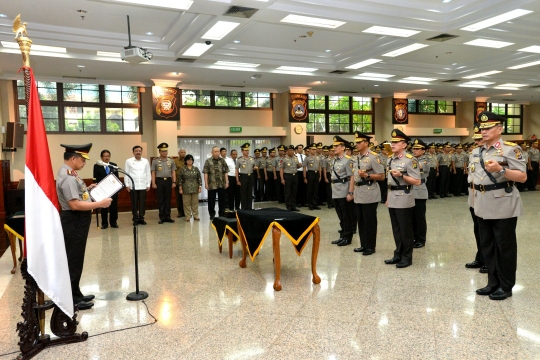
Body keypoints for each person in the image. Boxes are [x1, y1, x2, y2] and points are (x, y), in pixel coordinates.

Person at [472, 111, 526, 300]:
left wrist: (501, 169)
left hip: (503, 204)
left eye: (488, 128)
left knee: (504, 247)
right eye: (482, 128)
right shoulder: (476, 151)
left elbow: (522, 176)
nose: (483, 131)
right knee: (487, 246)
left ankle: (506, 285)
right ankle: (492, 282)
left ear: (500, 129)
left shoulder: (511, 149)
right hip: (482, 204)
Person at [56, 143, 112, 310]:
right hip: (75, 220)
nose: (84, 163)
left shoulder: (71, 173)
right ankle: (72, 298)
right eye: (82, 159)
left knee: (76, 258)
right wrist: (100, 203)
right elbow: (74, 205)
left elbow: (76, 195)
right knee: (73, 259)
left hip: (77, 220)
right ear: (73, 159)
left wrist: (87, 189)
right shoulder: (67, 176)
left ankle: (76, 292)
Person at [384, 129, 421, 268]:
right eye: (392, 141)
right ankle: (398, 254)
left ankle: (407, 257)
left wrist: (402, 176)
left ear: (404, 145)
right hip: (392, 197)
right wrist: (388, 198)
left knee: (405, 230)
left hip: (404, 197)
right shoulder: (390, 159)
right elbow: (389, 182)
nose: (392, 144)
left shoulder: (410, 160)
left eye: (396, 142)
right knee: (396, 229)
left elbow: (417, 181)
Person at [351, 132, 384, 255]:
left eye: (359, 142)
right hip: (359, 192)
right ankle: (363, 245)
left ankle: (370, 246)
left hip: (370, 192)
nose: (357, 144)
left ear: (366, 143)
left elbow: (381, 176)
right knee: (361, 221)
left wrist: (367, 175)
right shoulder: (357, 157)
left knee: (369, 221)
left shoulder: (373, 157)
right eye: (356, 142)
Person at [465, 123, 488, 274]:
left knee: (486, 231)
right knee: (477, 229)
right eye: (476, 140)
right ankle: (480, 257)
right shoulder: (473, 152)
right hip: (473, 196)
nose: (478, 142)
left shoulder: (492, 154)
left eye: (480, 139)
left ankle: (487, 260)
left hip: (486, 197)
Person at [329, 136, 355, 246]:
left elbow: (352, 177)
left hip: (344, 191)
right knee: (340, 215)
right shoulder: (335, 160)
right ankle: (343, 235)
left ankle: (348, 237)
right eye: (334, 146)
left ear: (343, 147)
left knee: (346, 215)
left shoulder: (348, 160)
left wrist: (351, 192)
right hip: (335, 190)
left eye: (336, 146)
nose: (334, 148)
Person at [125, 145, 151, 225]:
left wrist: (148, 184)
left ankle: (141, 218)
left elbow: (148, 173)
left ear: (141, 152)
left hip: (143, 185)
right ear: (133, 152)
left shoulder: (145, 161)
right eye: (136, 151)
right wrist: (127, 184)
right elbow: (126, 173)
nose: (138, 152)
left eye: (139, 151)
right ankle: (135, 219)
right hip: (133, 186)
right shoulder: (128, 161)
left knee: (142, 203)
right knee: (134, 203)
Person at [411, 139, 430, 249]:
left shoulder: (426, 159)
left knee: (419, 217)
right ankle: (414, 237)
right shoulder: (412, 159)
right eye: (414, 148)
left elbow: (418, 166)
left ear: (423, 150)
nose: (415, 150)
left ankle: (421, 239)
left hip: (420, 190)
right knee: (412, 217)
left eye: (417, 149)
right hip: (411, 190)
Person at [93, 149, 119, 229]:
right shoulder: (97, 166)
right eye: (105, 156)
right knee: (103, 207)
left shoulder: (113, 165)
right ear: (101, 157)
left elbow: (117, 177)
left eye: (108, 156)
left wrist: (118, 188)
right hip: (103, 190)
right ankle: (104, 223)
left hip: (113, 189)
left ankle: (113, 222)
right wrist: (95, 187)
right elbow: (95, 178)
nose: (107, 158)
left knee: (114, 207)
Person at [151, 143, 176, 224]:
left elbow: (173, 172)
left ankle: (168, 216)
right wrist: (153, 183)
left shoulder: (171, 160)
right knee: (161, 199)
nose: (165, 153)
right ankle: (162, 217)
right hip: (160, 181)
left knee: (168, 199)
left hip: (168, 181)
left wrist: (174, 182)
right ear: (159, 152)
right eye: (163, 151)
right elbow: (153, 172)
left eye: (166, 151)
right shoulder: (155, 161)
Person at [203, 146, 229, 220]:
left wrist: (227, 182)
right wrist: (206, 183)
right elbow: (206, 173)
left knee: (222, 200)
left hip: (221, 183)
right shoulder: (208, 161)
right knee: (211, 200)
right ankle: (212, 214)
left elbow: (226, 172)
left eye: (218, 151)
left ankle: (221, 213)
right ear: (212, 152)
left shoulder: (222, 161)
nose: (217, 153)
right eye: (215, 151)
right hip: (212, 183)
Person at [178, 154, 202, 221]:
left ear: (193, 161)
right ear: (185, 161)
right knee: (186, 203)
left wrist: (200, 187)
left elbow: (199, 178)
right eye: (188, 160)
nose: (189, 161)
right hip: (185, 188)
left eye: (191, 159)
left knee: (195, 203)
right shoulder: (183, 169)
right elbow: (180, 179)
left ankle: (195, 215)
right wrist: (180, 188)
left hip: (195, 188)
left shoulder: (196, 169)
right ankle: (187, 216)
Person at [236, 143, 258, 210]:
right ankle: (244, 208)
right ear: (242, 151)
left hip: (250, 176)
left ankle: (249, 208)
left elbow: (255, 166)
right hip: (243, 176)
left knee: (249, 193)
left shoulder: (252, 159)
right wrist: (237, 180)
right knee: (243, 193)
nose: (247, 152)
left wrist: (255, 168)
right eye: (245, 150)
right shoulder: (239, 159)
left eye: (248, 150)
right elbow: (236, 170)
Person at [280, 145, 301, 211]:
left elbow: (297, 166)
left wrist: (299, 165)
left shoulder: (295, 158)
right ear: (287, 152)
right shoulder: (283, 159)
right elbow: (281, 169)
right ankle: (288, 207)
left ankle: (293, 206)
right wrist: (282, 179)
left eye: (293, 150)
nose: (292, 152)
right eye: (291, 150)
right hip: (287, 176)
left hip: (295, 176)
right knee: (288, 192)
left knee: (294, 192)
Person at [303, 143, 322, 210]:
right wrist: (304, 177)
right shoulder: (307, 158)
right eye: (313, 149)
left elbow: (319, 167)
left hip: (316, 174)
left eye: (315, 149)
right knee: (310, 189)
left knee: (315, 189)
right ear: (310, 150)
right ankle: (310, 204)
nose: (314, 151)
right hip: (310, 173)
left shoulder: (318, 157)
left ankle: (315, 204)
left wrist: (320, 176)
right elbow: (304, 167)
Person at [174, 148, 186, 218]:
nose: (183, 153)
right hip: (178, 182)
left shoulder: (187, 160)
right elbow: (173, 172)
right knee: (179, 198)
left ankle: (186, 212)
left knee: (186, 198)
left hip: (186, 182)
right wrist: (174, 181)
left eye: (184, 152)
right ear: (179, 153)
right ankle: (180, 212)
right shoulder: (175, 161)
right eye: (182, 152)